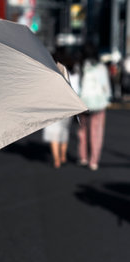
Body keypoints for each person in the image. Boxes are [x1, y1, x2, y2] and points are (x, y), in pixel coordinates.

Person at [43, 54, 80, 169]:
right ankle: (63, 155)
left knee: (53, 133)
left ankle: (57, 159)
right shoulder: (67, 71)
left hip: (52, 107)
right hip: (67, 105)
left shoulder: (48, 72)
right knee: (64, 131)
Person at [78, 43, 111, 171]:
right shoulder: (101, 68)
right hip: (98, 102)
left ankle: (83, 156)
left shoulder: (80, 66)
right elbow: (106, 87)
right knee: (96, 132)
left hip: (83, 102)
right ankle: (93, 161)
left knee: (82, 131)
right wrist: (107, 98)